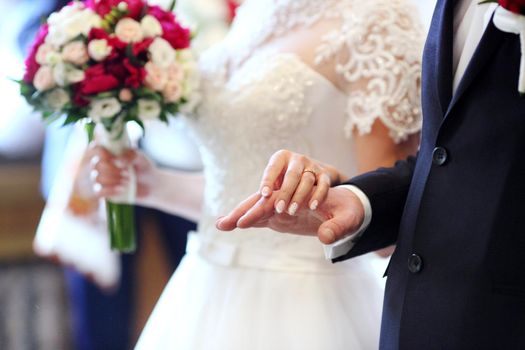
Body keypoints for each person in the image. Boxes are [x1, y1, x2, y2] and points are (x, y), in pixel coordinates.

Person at [90, 0, 424, 348]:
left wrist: (324, 198)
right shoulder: (257, 10)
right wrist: (153, 185)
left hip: (308, 305)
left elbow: (390, 226)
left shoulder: (380, 19)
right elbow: (241, 194)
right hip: (203, 291)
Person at [217, 0, 525, 348]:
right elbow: (446, 160)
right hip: (410, 318)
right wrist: (355, 199)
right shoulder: (254, 15)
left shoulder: (378, 21)